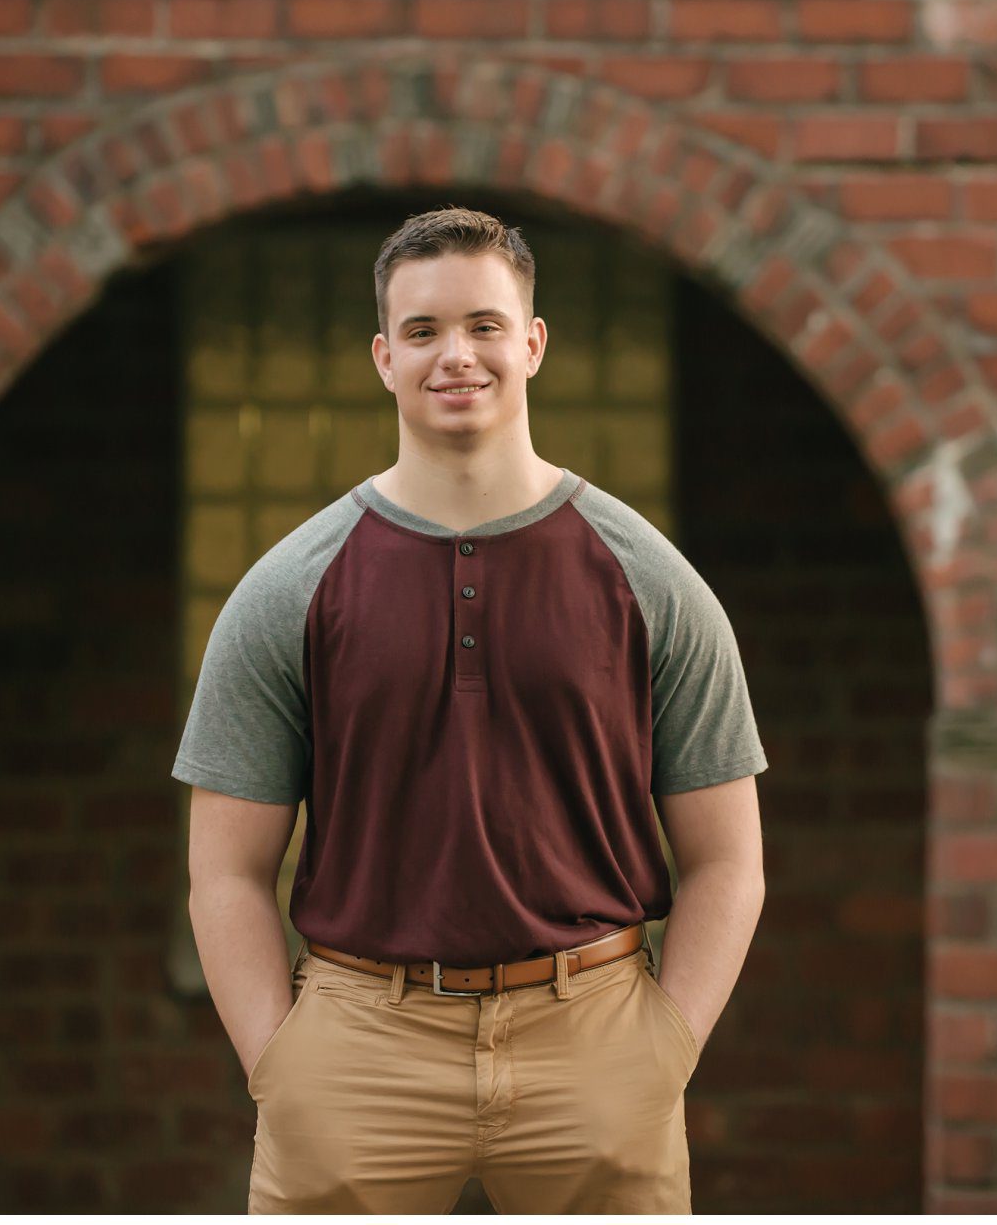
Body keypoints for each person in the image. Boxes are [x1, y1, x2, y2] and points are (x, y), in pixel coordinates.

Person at [177, 206, 767, 1217]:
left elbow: (727, 860)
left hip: (594, 1035)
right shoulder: (289, 591)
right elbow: (224, 871)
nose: (456, 355)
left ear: (532, 344)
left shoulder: (649, 582)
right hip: (359, 1045)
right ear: (382, 357)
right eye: (422, 331)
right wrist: (283, 1068)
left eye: (484, 326)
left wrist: (662, 1049)